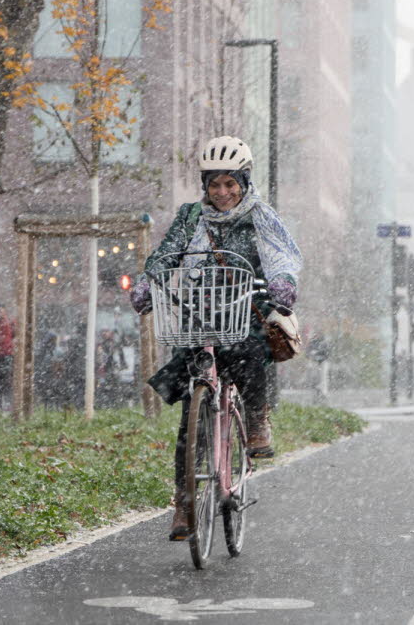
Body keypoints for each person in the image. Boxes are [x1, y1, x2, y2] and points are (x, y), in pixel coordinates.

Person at [130, 136, 302, 541]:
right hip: (198, 312)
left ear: (244, 181)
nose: (222, 193)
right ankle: (185, 503)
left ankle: (256, 418)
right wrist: (149, 281)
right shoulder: (191, 216)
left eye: (230, 183)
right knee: (191, 411)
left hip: (245, 307)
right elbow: (168, 253)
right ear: (204, 186)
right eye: (214, 185)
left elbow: (280, 255)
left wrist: (282, 282)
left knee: (247, 352)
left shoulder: (259, 215)